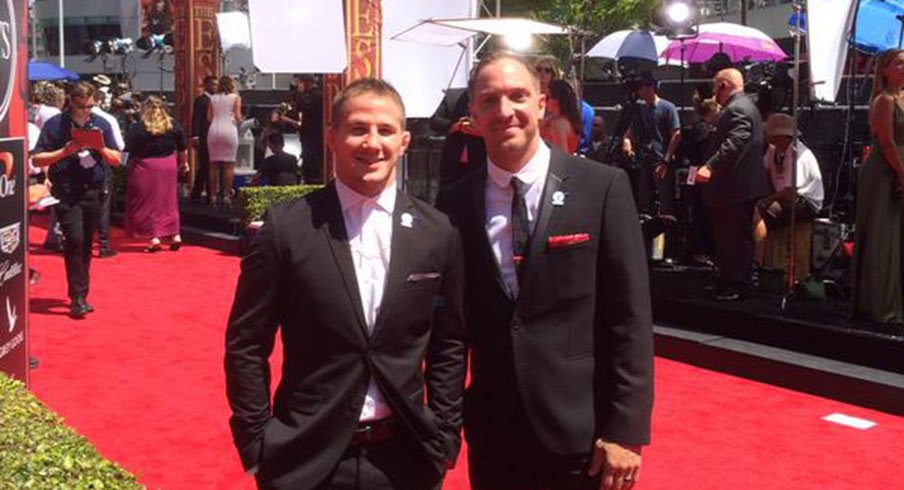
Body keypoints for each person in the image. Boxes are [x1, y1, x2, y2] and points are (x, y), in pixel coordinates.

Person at [225, 78, 467, 490]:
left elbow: (449, 344)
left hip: (405, 459)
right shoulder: (286, 228)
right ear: (332, 138)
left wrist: (444, 435)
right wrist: (255, 444)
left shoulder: (437, 232)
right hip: (305, 458)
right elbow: (246, 343)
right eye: (358, 128)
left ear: (404, 141)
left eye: (386, 130)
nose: (372, 143)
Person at [437, 52, 653, 490]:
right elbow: (452, 330)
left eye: (518, 96)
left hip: (583, 434)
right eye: (489, 100)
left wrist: (624, 430)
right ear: (473, 114)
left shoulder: (602, 187)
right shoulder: (454, 205)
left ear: (541, 103)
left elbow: (629, 317)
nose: (505, 111)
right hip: (495, 436)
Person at [32, 81, 122, 318]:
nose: (86, 111)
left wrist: (99, 147)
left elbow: (116, 159)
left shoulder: (101, 124)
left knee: (85, 243)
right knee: (74, 239)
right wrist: (66, 151)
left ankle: (81, 291)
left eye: (90, 106)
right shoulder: (55, 125)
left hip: (93, 190)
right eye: (82, 106)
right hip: (66, 190)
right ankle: (77, 296)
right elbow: (38, 159)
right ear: (71, 103)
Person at [694, 68, 769, 301]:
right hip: (735, 186)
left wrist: (711, 165)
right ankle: (727, 280)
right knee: (728, 236)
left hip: (735, 186)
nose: (714, 92)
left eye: (716, 87)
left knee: (734, 238)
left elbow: (736, 140)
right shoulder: (744, 106)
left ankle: (737, 284)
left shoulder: (738, 109)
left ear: (725, 85)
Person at [853, 49, 904, 323]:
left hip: (899, 168)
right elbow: (886, 143)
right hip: (885, 171)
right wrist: (901, 174)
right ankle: (880, 305)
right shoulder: (883, 100)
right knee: (884, 237)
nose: (903, 68)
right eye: (898, 63)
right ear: (884, 70)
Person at [753, 113, 824, 266]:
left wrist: (766, 200)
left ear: (782, 136)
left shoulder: (797, 154)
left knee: (758, 212)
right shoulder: (774, 151)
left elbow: (790, 191)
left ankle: (757, 262)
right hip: (784, 197)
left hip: (805, 202)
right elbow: (764, 171)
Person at [123, 96, 188, 252]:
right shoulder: (172, 125)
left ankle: (154, 238)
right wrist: (183, 163)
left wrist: (120, 164)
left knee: (148, 203)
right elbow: (182, 147)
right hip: (168, 165)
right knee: (168, 202)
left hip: (145, 166)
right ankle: (175, 235)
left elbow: (127, 150)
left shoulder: (138, 127)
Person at [622, 72, 681, 219]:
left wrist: (666, 160)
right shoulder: (640, 109)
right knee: (644, 200)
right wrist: (627, 141)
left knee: (666, 202)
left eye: (642, 88)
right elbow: (629, 131)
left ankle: (669, 238)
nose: (640, 92)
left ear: (651, 88)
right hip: (644, 160)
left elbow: (676, 134)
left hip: (660, 159)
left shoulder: (667, 107)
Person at [91, 87, 126, 259]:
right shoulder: (108, 119)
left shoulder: (68, 118)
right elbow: (120, 145)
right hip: (102, 162)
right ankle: (103, 244)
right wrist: (123, 165)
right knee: (103, 204)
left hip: (76, 163)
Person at [429, 87, 486, 190]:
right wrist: (454, 126)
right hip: (453, 161)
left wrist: (482, 132)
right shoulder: (453, 96)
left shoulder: (492, 97)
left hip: (482, 162)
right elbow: (434, 121)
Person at [207, 75, 241, 207]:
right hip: (229, 130)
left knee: (213, 165)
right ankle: (227, 195)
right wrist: (239, 119)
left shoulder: (212, 98)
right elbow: (237, 117)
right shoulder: (235, 98)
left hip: (214, 130)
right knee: (229, 165)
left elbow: (209, 117)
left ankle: (213, 196)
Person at [290, 75, 324, 184]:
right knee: (307, 157)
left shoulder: (316, 96)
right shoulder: (309, 96)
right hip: (307, 134)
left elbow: (302, 106)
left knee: (312, 159)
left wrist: (299, 96)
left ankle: (314, 179)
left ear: (306, 83)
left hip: (314, 134)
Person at [190, 75, 217, 204]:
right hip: (204, 137)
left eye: (216, 85)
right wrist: (195, 136)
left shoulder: (217, 100)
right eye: (212, 84)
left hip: (215, 136)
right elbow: (196, 119)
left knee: (210, 166)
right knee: (205, 166)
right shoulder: (201, 100)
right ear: (206, 85)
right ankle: (197, 193)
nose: (215, 87)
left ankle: (209, 193)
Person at [540, 79, 581, 154]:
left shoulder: (558, 124)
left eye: (548, 97)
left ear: (557, 100)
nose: (545, 101)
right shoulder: (568, 120)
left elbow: (561, 157)